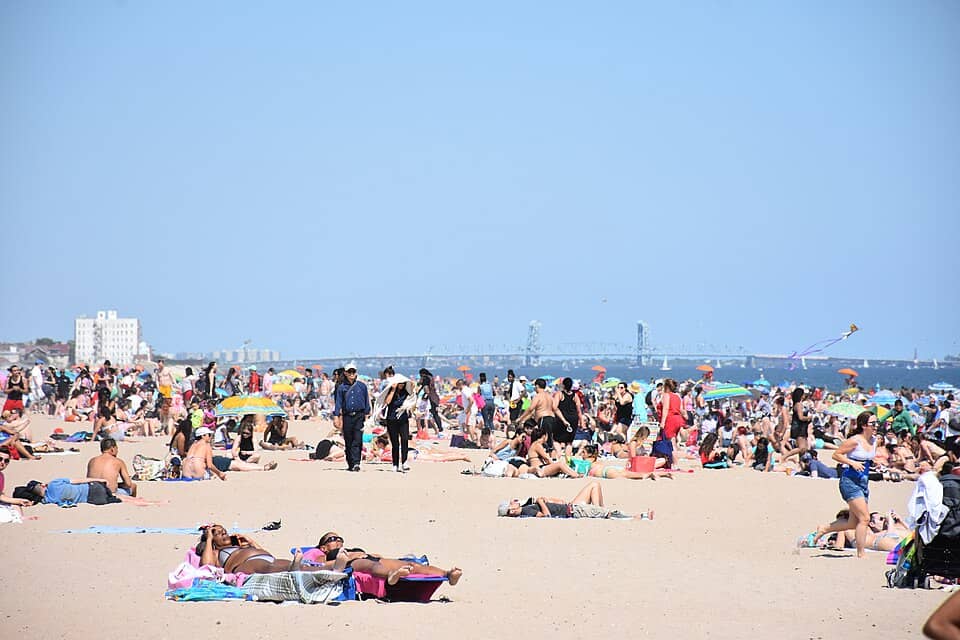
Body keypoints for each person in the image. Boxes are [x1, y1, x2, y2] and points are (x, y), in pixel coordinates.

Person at [813, 411, 878, 557]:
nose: (876, 426)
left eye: (876, 423)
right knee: (865, 518)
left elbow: (867, 460)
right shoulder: (855, 440)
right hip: (849, 482)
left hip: (863, 482)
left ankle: (824, 529)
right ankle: (861, 553)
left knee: (852, 523)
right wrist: (852, 462)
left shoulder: (875, 441)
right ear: (863, 425)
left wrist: (875, 465)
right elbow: (836, 454)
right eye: (873, 423)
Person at [315, 531, 462, 586]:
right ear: (324, 547)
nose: (338, 540)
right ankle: (391, 576)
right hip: (352, 563)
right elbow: (322, 565)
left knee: (411, 564)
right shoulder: (325, 555)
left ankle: (447, 575)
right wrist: (352, 556)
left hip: (369, 558)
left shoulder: (349, 548)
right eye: (333, 538)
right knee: (370, 566)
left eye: (340, 538)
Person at [497, 481, 651, 520]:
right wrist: (542, 502)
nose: (514, 502)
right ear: (511, 510)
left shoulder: (526, 506)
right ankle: (638, 517)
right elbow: (545, 515)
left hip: (571, 506)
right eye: (512, 504)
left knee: (594, 485)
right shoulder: (526, 511)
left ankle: (602, 512)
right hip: (573, 510)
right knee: (607, 513)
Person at [199, 523, 307, 574]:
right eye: (218, 533)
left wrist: (251, 541)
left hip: (268, 559)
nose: (223, 533)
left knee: (302, 566)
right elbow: (206, 566)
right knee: (267, 567)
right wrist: (209, 538)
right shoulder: (216, 552)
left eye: (224, 531)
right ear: (212, 540)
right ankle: (292, 570)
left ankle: (323, 569)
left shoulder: (238, 546)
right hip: (245, 564)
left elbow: (266, 553)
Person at [181, 427, 277, 480]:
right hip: (201, 475)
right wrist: (220, 474)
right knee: (235, 465)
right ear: (203, 436)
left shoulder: (192, 446)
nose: (210, 437)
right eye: (209, 435)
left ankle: (261, 467)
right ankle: (263, 468)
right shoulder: (206, 445)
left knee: (232, 463)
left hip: (186, 475)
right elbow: (210, 465)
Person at [333, 362, 370, 472]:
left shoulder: (362, 386)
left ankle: (356, 462)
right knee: (348, 440)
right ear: (345, 373)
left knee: (357, 440)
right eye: (349, 371)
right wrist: (336, 416)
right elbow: (338, 403)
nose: (351, 373)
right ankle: (350, 462)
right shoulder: (341, 388)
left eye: (353, 371)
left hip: (359, 415)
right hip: (347, 416)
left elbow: (366, 400)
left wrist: (367, 415)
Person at [516, 378, 570, 452]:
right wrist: (564, 420)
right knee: (550, 440)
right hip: (552, 419)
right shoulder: (550, 396)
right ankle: (553, 457)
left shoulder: (537, 396)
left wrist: (521, 418)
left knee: (539, 440)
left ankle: (537, 455)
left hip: (543, 420)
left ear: (537, 386)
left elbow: (530, 408)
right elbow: (555, 409)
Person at [381, 371, 413, 472]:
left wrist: (411, 385)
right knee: (395, 443)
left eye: (403, 383)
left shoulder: (406, 392)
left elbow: (412, 397)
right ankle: (395, 464)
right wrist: (393, 389)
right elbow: (387, 402)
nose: (401, 385)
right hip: (392, 419)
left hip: (403, 419)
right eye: (400, 383)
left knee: (404, 440)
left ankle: (404, 462)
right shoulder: (390, 391)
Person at [553, 377, 582, 458]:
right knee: (569, 442)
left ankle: (559, 455)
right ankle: (568, 460)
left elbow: (554, 407)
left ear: (563, 385)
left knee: (556, 440)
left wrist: (563, 419)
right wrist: (582, 422)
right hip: (573, 419)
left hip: (562, 419)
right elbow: (579, 410)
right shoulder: (575, 395)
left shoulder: (559, 394)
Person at [155, 359, 176, 434]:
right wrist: (158, 387)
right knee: (162, 404)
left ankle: (168, 418)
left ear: (163, 364)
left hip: (168, 387)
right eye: (158, 365)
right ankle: (163, 420)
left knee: (168, 403)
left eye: (160, 364)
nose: (160, 366)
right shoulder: (157, 371)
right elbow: (157, 379)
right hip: (161, 387)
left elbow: (172, 377)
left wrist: (174, 385)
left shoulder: (167, 370)